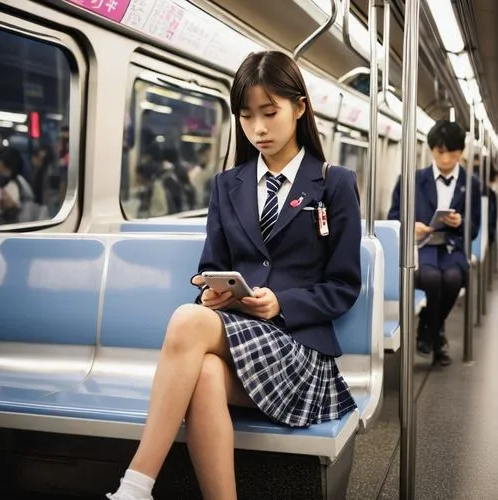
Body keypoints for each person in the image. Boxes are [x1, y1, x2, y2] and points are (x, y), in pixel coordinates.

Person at [107, 50, 362, 500]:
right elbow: (211, 267)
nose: (258, 128)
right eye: (246, 117)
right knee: (203, 372)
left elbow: (344, 286)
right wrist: (213, 292)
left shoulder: (334, 183)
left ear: (300, 108)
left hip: (300, 353)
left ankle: (135, 486)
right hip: (240, 335)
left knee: (186, 322)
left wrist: (282, 302)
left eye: (269, 113)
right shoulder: (228, 185)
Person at [388, 120, 481, 366]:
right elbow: (393, 218)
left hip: (452, 246)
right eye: (441, 152)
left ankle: (428, 330)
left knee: (453, 278)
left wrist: (460, 222)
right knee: (430, 277)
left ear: (461, 153)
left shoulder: (472, 184)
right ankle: (437, 337)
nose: (447, 159)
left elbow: (473, 230)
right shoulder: (411, 180)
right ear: (431, 150)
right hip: (424, 246)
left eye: (453, 153)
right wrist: (411, 228)